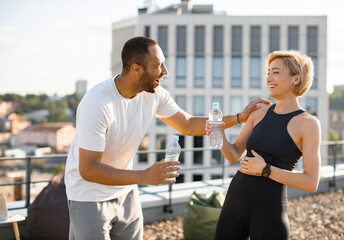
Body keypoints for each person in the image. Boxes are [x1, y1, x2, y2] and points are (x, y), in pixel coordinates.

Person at [64, 36, 269, 240]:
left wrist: (240, 117)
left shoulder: (154, 94)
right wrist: (144, 176)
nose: (165, 71)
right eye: (158, 65)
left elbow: (188, 124)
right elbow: (89, 169)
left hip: (126, 192)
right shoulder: (97, 103)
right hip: (89, 195)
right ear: (137, 69)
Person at [206, 50, 321, 240]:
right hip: (234, 203)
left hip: (268, 210)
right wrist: (219, 134)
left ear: (296, 79)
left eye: (275, 72)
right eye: (268, 72)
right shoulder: (259, 111)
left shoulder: (308, 123)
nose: (269, 78)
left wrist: (266, 170)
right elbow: (234, 154)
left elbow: (311, 182)